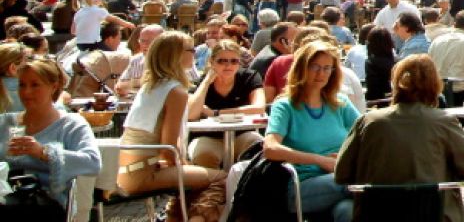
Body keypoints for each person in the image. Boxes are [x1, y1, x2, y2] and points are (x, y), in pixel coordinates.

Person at [334, 55, 464, 222]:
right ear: (435, 85)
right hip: (434, 214)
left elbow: (342, 173)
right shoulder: (443, 122)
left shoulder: (368, 122)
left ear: (395, 83)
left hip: (376, 215)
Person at [118, 31, 227, 222]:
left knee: (191, 178)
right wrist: (186, 166)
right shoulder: (175, 92)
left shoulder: (151, 86)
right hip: (142, 172)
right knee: (221, 178)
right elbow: (168, 149)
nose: (195, 53)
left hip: (127, 168)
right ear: (176, 55)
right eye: (191, 49)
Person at [263, 40, 360, 222]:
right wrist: (320, 160)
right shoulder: (285, 106)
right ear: (302, 68)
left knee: (348, 211)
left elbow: (368, 135)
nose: (321, 73)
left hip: (339, 179)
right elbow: (270, 149)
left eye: (327, 68)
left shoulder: (340, 103)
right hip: (301, 186)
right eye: (314, 66)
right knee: (353, 184)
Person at [1, 57, 101, 214]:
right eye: (22, 85)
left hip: (47, 204)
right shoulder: (5, 123)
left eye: (35, 85)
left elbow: (93, 163)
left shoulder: (71, 125)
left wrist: (44, 152)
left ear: (53, 87)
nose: (26, 92)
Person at [186, 39, 265, 168]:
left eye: (234, 61)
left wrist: (215, 113)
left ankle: (244, 185)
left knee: (257, 145)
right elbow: (191, 114)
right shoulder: (200, 83)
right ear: (212, 62)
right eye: (222, 61)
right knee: (205, 154)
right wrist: (206, 82)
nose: (228, 65)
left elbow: (259, 108)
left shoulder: (249, 77)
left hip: (242, 134)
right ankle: (214, 187)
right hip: (208, 136)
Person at [363, 26, 398, 104]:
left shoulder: (370, 63)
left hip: (379, 102)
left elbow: (372, 88)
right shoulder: (396, 60)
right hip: (395, 100)